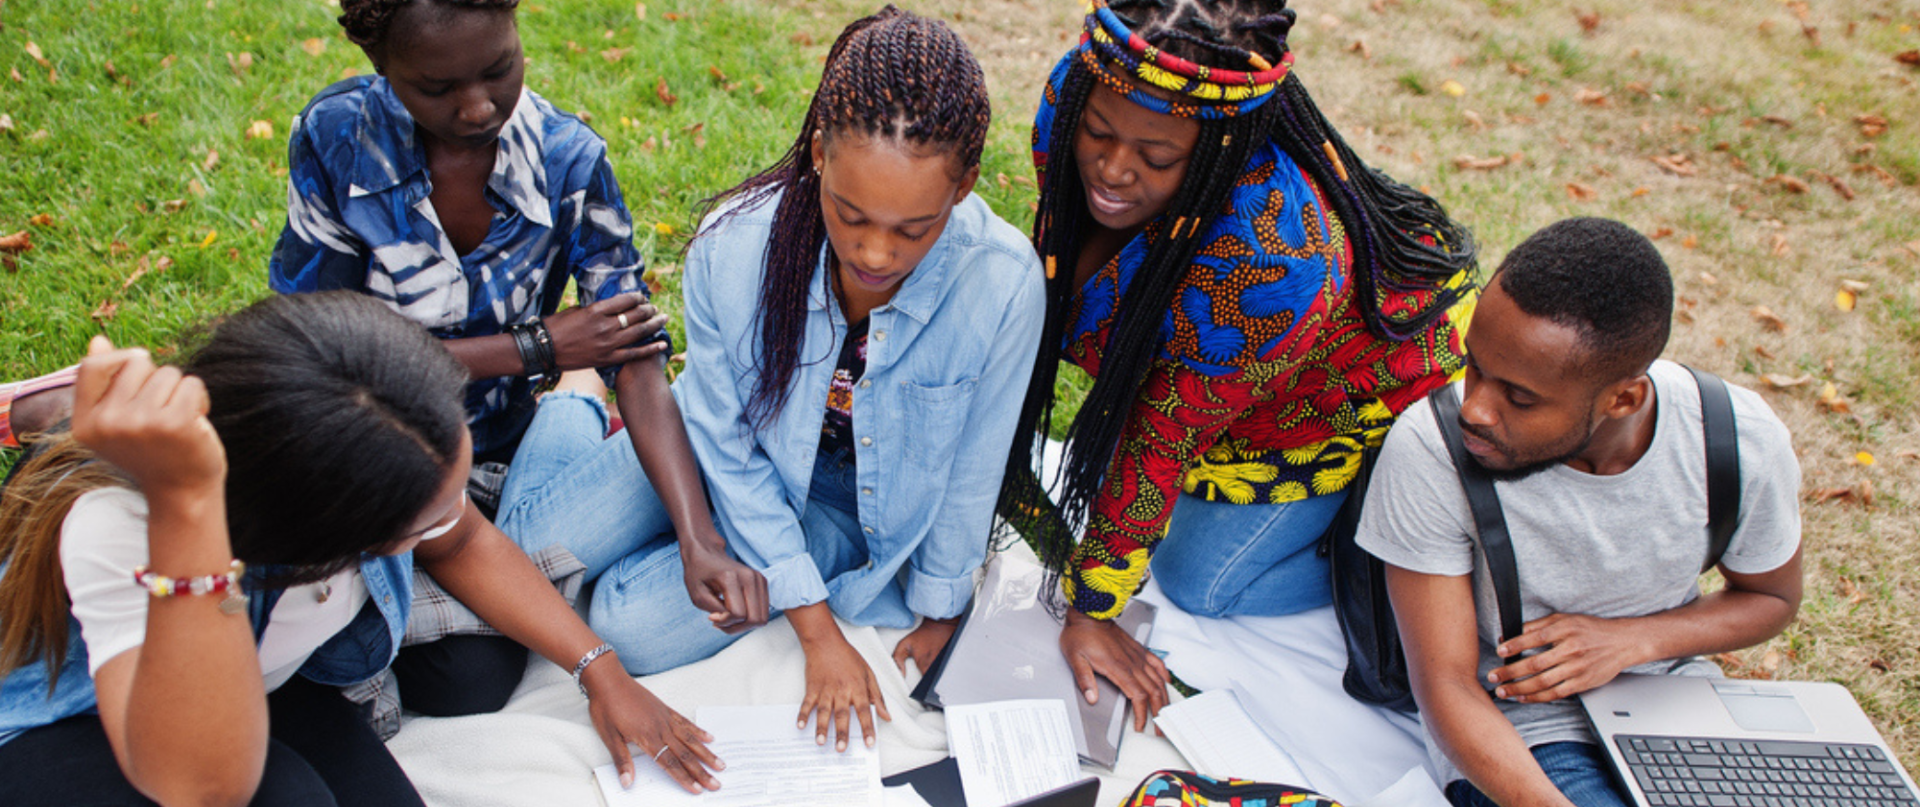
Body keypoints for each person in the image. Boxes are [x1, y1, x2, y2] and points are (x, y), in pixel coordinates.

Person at [0, 293, 724, 807]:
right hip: (80, 715)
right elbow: (200, 785)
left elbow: (465, 536)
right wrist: (188, 516)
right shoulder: (123, 523)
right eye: (412, 528)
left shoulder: (373, 438)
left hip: (260, 677)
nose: (452, 524)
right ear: (315, 535)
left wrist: (603, 673)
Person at [267, 0, 763, 712]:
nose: (476, 108)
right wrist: (536, 346)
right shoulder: (338, 138)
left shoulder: (570, 161)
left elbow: (639, 359)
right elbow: (313, 350)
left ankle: (571, 406)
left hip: (497, 456)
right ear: (381, 67)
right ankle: (572, 398)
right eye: (436, 88)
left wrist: (698, 538)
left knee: (477, 671)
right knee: (429, 667)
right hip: (369, 460)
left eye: (499, 69)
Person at [579, 6, 1045, 754]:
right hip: (717, 453)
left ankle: (665, 513)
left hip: (840, 507)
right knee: (538, 544)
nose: (876, 253)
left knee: (622, 624)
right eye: (850, 214)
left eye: (912, 229)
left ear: (963, 190)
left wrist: (937, 608)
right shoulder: (733, 246)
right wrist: (816, 629)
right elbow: (726, 446)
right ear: (820, 154)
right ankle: (572, 403)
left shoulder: (1004, 283)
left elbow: (971, 468)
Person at [1001, 0, 1479, 729]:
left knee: (1196, 582)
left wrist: (1092, 609)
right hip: (1238, 391)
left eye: (1158, 158)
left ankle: (1397, 558)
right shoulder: (1077, 90)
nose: (1112, 166)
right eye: (1099, 132)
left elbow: (1160, 437)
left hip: (1335, 412)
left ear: (1226, 147)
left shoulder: (1272, 258)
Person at [1356, 218, 1803, 807]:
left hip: (1677, 711)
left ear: (1624, 398)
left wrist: (1631, 641)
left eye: (1518, 396)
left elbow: (1772, 599)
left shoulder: (1736, 440)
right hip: (1528, 737)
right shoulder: (1431, 449)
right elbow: (1447, 685)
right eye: (1475, 367)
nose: (1476, 409)